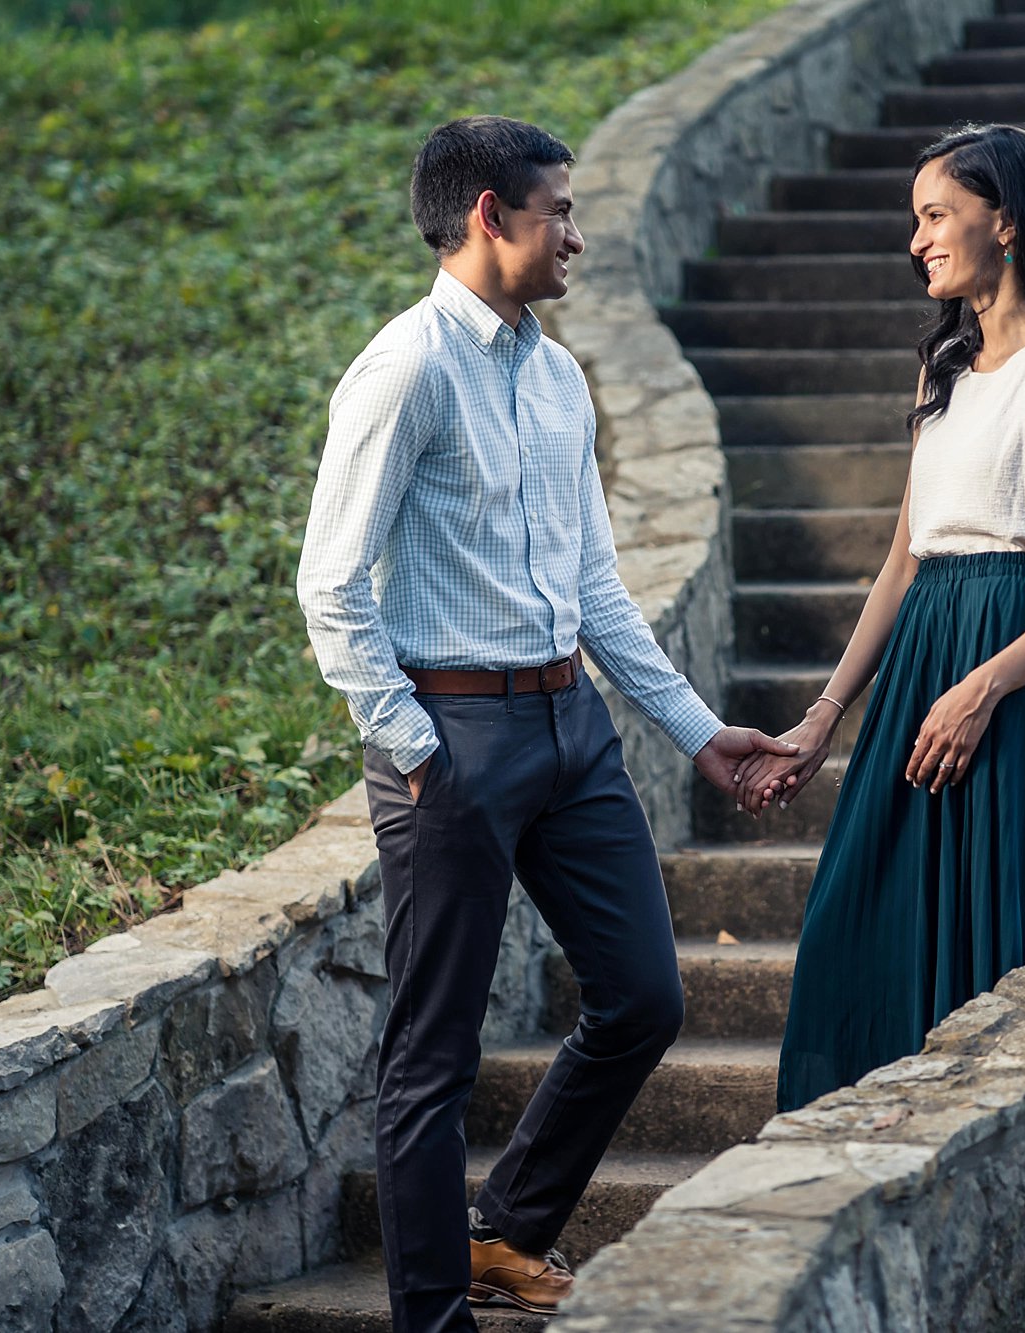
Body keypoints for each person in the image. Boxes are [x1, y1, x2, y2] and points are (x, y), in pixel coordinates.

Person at [297, 114, 796, 1330]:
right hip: (452, 744)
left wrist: (692, 728)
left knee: (642, 999)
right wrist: (414, 747)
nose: (576, 234)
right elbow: (330, 582)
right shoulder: (406, 369)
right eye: (557, 211)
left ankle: (507, 1229)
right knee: (432, 1058)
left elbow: (591, 589)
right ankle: (431, 1315)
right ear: (487, 217)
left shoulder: (558, 373)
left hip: (571, 731)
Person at [732, 124, 1025, 1114]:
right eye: (913, 220)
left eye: (932, 215)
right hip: (923, 650)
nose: (916, 239)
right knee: (855, 915)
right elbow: (903, 559)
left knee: (989, 929)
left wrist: (983, 686)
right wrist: (823, 719)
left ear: (1001, 219)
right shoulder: (942, 372)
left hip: (1007, 661)